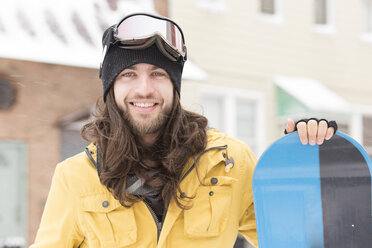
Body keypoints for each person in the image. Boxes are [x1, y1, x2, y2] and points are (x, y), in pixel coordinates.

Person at [30, 13, 336, 248]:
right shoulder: (75, 177)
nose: (145, 88)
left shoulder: (230, 162)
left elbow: (289, 238)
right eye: (128, 74)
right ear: (111, 88)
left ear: (175, 88)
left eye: (158, 74)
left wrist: (298, 164)